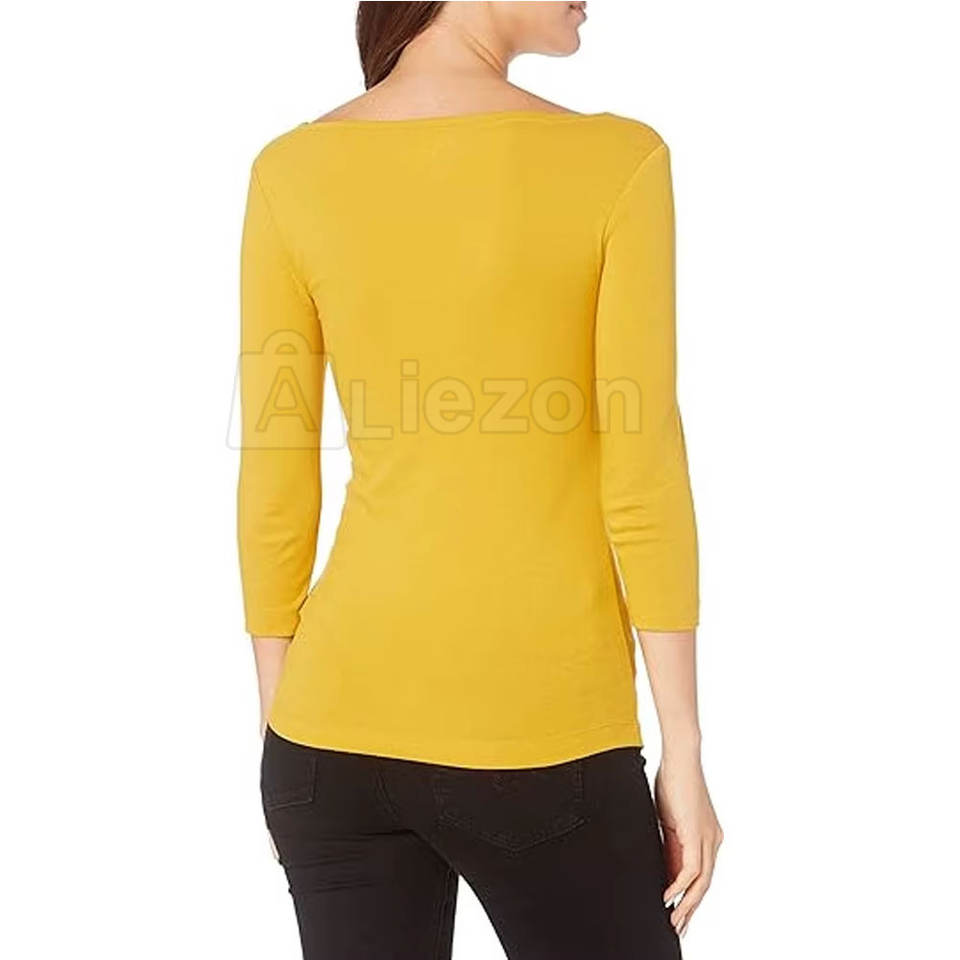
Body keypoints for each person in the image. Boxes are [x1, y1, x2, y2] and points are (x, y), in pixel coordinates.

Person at [238, 3, 722, 956]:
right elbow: (643, 473)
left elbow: (273, 475)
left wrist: (284, 734)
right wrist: (685, 748)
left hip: (328, 735)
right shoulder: (616, 163)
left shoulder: (291, 170)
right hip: (544, 736)